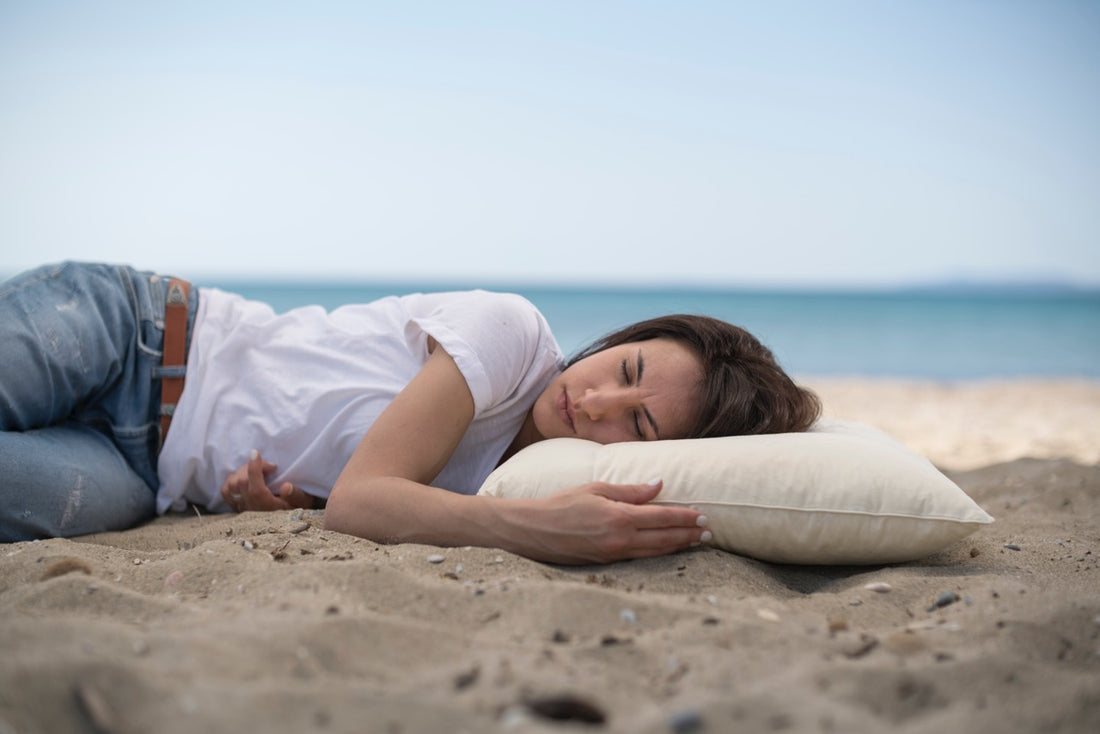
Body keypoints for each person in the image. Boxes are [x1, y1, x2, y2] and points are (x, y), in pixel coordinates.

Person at [0, 261, 821, 563]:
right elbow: (368, 499)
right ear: (618, 339)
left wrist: (288, 501)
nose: (596, 400)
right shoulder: (512, 334)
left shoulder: (523, 476)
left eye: (637, 424)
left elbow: (346, 491)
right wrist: (546, 534)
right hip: (137, 334)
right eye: (626, 368)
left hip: (145, 472)